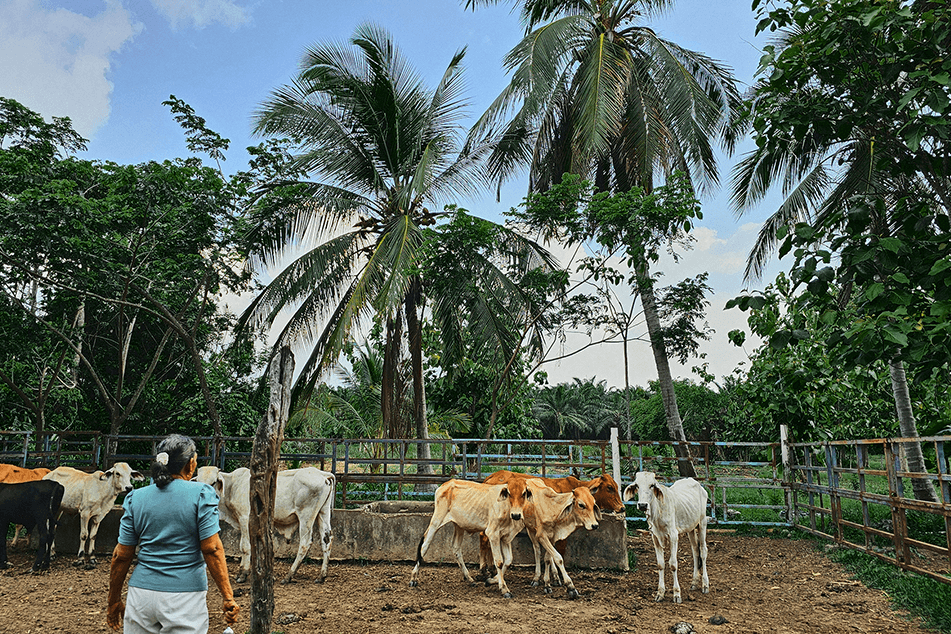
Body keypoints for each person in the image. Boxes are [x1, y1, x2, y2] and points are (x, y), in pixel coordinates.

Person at [107, 434, 240, 633]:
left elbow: (121, 555)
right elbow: (212, 549)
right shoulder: (202, 494)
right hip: (184, 598)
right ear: (191, 464)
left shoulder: (136, 498)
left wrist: (114, 600)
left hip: (141, 597)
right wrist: (228, 597)